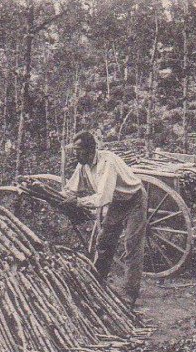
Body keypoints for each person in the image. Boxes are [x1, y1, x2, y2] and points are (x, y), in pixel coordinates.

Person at [61, 131, 147, 309]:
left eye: (79, 150)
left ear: (90, 149)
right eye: (75, 150)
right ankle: (98, 281)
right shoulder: (83, 165)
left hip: (134, 199)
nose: (75, 154)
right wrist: (62, 198)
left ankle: (130, 293)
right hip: (117, 201)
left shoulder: (106, 163)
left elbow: (102, 198)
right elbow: (71, 189)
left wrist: (77, 202)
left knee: (131, 244)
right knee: (105, 239)